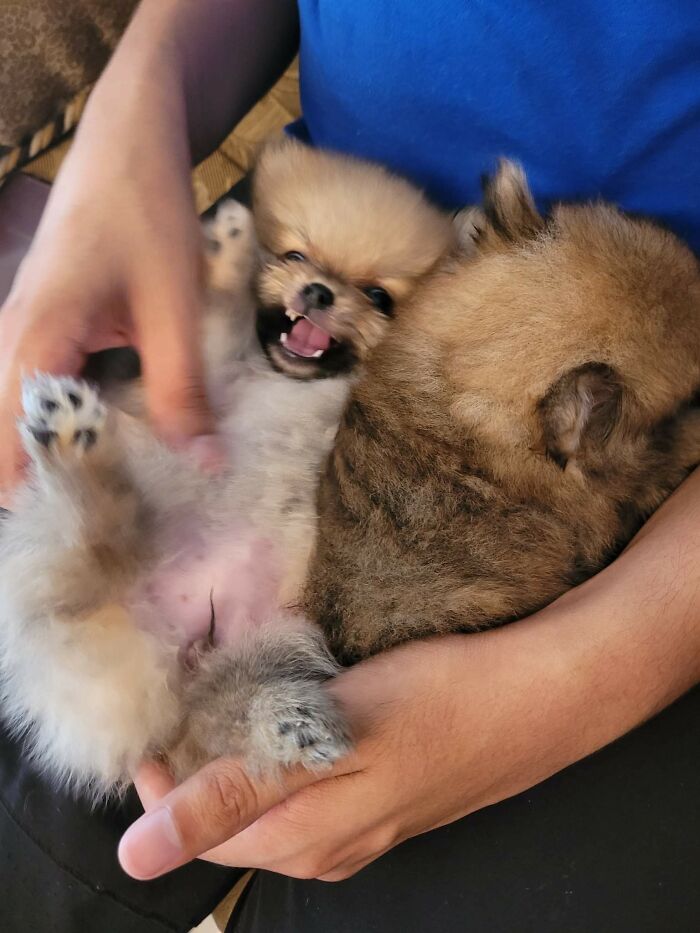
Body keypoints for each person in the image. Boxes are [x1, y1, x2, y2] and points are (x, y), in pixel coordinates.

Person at [0, 2, 698, 930]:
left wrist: (581, 674)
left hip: (636, 498)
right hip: (336, 237)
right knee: (40, 836)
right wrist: (138, 115)